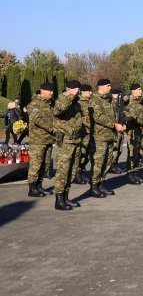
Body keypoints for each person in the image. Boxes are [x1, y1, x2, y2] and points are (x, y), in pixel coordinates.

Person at [89, 79, 126, 197]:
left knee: (107, 162)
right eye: (108, 86)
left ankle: (101, 184)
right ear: (101, 87)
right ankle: (94, 187)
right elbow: (97, 116)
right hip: (99, 137)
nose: (110, 88)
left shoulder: (108, 100)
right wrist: (114, 125)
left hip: (110, 136)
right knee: (99, 163)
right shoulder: (95, 100)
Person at [52, 81, 84, 210]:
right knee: (63, 171)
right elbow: (59, 110)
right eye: (77, 89)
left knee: (72, 171)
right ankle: (59, 200)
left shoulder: (76, 103)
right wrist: (71, 96)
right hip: (65, 142)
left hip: (75, 140)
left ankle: (66, 197)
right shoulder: (61, 100)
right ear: (69, 89)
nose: (79, 92)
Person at [26, 83, 55, 198]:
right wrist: (54, 128)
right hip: (38, 140)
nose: (52, 93)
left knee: (45, 164)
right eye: (50, 91)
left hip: (48, 139)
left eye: (52, 91)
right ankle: (32, 188)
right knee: (36, 164)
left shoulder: (50, 104)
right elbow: (37, 119)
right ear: (42, 91)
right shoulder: (34, 104)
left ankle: (39, 186)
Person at [123, 84, 143, 184]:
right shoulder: (129, 100)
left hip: (141, 130)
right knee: (132, 153)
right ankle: (130, 174)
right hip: (133, 130)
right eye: (139, 89)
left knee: (139, 152)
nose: (141, 91)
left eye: (141, 89)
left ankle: (135, 173)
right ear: (133, 91)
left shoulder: (141, 101)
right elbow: (130, 116)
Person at [73, 84, 93, 185]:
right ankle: (76, 175)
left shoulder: (91, 102)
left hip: (90, 133)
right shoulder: (79, 102)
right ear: (83, 92)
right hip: (83, 133)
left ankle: (81, 172)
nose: (91, 93)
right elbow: (80, 119)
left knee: (87, 155)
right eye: (89, 91)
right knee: (81, 154)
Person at [106, 89, 126, 174]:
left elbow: (122, 115)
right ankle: (111, 165)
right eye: (119, 96)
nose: (120, 97)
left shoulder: (120, 105)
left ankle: (115, 164)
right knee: (114, 148)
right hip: (114, 129)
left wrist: (124, 124)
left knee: (119, 148)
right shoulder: (111, 103)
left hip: (120, 129)